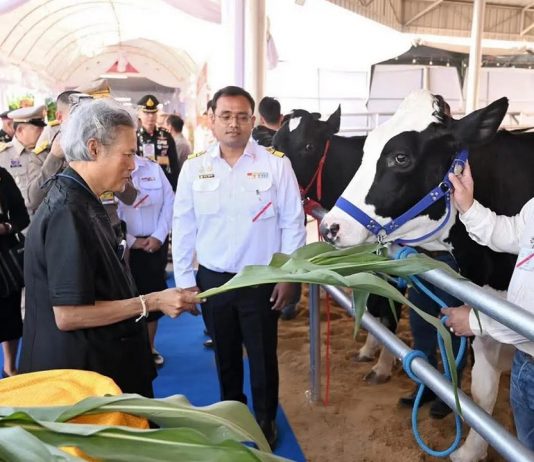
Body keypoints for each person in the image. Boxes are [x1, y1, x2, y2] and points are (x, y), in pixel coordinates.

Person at [19, 99, 199, 396]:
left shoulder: (82, 198)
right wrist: (152, 301)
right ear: (93, 148)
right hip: (79, 384)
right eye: (127, 154)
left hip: (95, 371)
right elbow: (69, 315)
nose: (133, 165)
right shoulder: (68, 211)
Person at [173, 85, 306, 448]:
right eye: (226, 116)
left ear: (253, 120)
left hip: (262, 279)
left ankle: (265, 419)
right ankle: (233, 413)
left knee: (263, 355)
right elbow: (183, 225)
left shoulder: (276, 164)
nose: (234, 124)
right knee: (225, 353)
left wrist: (288, 277)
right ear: (211, 119)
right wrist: (185, 281)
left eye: (242, 116)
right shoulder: (195, 167)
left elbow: (292, 223)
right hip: (213, 281)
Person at [442, 162, 534, 450]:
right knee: (525, 446)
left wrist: (477, 321)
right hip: (524, 362)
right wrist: (468, 206)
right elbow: (510, 232)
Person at [117, 154, 174, 368]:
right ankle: (127, 350)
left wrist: (159, 235)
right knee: (124, 299)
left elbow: (169, 201)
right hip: (122, 245)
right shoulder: (109, 168)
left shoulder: (152, 168)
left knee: (151, 298)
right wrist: (132, 241)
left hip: (153, 245)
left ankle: (149, 348)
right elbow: (108, 211)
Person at [252, 97, 300, 321]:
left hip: (261, 209)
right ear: (281, 117)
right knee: (292, 244)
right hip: (291, 202)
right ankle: (290, 301)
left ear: (260, 118)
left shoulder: (252, 140)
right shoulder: (292, 139)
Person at [0, 167, 30, 377]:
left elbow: (22, 216)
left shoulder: (2, 176)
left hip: (6, 262)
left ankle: (9, 368)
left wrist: (6, 228)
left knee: (10, 316)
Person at [0, 106, 46, 213]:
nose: (42, 132)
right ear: (20, 130)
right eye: (38, 129)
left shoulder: (46, 153)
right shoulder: (3, 156)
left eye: (43, 128)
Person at [136, 95, 180, 190]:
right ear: (139, 114)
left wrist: (176, 188)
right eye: (147, 113)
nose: (151, 116)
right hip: (142, 186)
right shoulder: (135, 137)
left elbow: (174, 164)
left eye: (153, 113)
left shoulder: (166, 136)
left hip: (164, 184)